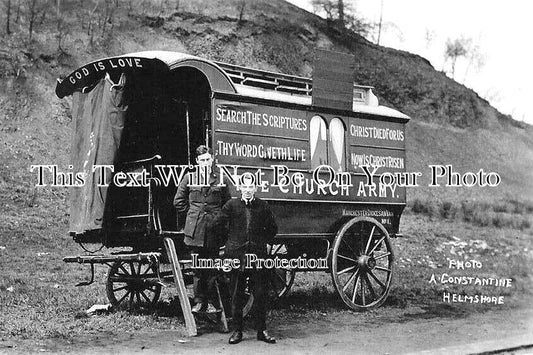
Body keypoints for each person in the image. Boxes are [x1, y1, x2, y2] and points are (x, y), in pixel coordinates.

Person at [214, 173, 278, 344]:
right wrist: (229, 244)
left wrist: (266, 244)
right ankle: (237, 331)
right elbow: (217, 225)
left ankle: (261, 331)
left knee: (261, 294)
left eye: (251, 187)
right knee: (236, 295)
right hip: (236, 257)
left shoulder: (262, 206)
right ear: (240, 188)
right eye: (245, 186)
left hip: (258, 257)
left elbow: (272, 228)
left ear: (255, 188)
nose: (248, 190)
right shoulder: (231, 205)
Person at [174, 145, 231, 313]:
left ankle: (213, 302)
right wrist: (193, 215)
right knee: (198, 267)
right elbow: (178, 201)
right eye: (202, 160)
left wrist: (218, 218)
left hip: (214, 229)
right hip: (195, 230)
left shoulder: (221, 178)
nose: (205, 163)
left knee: (212, 267)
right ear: (197, 162)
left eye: (208, 159)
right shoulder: (189, 177)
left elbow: (227, 203)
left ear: (212, 159)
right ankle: (199, 301)